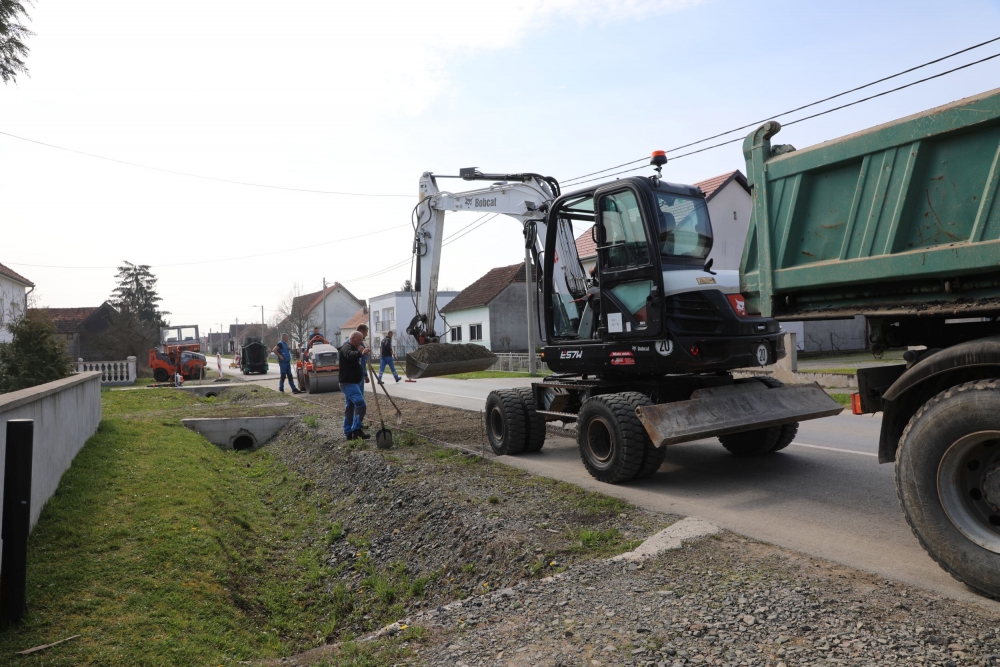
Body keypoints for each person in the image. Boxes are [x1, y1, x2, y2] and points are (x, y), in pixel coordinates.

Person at [339, 331, 368, 440]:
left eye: (362, 340)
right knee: (361, 405)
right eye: (359, 340)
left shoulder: (354, 348)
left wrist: (364, 374)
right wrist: (360, 353)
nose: (361, 342)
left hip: (353, 382)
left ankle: (348, 432)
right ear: (352, 338)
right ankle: (356, 429)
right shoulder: (346, 348)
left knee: (350, 407)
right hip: (348, 383)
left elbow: (358, 363)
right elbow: (350, 356)